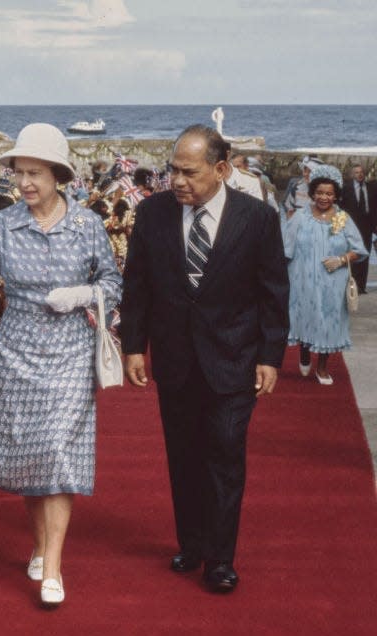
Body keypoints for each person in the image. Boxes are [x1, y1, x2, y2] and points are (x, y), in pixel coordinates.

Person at [0, 123, 122, 606]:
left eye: (34, 173)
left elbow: (114, 282)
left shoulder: (87, 225)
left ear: (58, 175)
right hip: (16, 349)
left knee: (56, 452)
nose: (24, 182)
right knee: (31, 456)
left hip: (70, 348)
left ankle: (53, 568)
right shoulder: (2, 225)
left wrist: (85, 293)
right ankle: (41, 544)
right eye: (18, 173)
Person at [121, 124, 289, 594]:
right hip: (174, 360)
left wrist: (270, 356)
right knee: (184, 457)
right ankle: (191, 544)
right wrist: (134, 346)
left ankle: (219, 559)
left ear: (221, 169)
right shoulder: (152, 214)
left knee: (225, 454)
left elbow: (273, 293)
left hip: (234, 360)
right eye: (173, 169)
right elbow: (136, 286)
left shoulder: (256, 218)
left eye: (188, 172)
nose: (177, 180)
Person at [284, 164, 368, 384]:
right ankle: (304, 353)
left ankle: (322, 368)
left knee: (328, 323)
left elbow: (359, 250)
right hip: (302, 280)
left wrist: (341, 259)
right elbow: (285, 249)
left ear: (336, 195)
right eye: (320, 192)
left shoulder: (342, 219)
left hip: (333, 282)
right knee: (304, 317)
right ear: (312, 193)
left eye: (329, 193)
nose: (324, 197)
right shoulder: (300, 217)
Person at [340, 163, 376, 293]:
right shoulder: (346, 189)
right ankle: (352, 285)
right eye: (356, 172)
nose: (359, 174)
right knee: (354, 256)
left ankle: (361, 286)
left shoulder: (372, 187)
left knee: (365, 255)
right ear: (352, 175)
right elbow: (341, 208)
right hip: (352, 225)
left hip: (368, 226)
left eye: (361, 172)